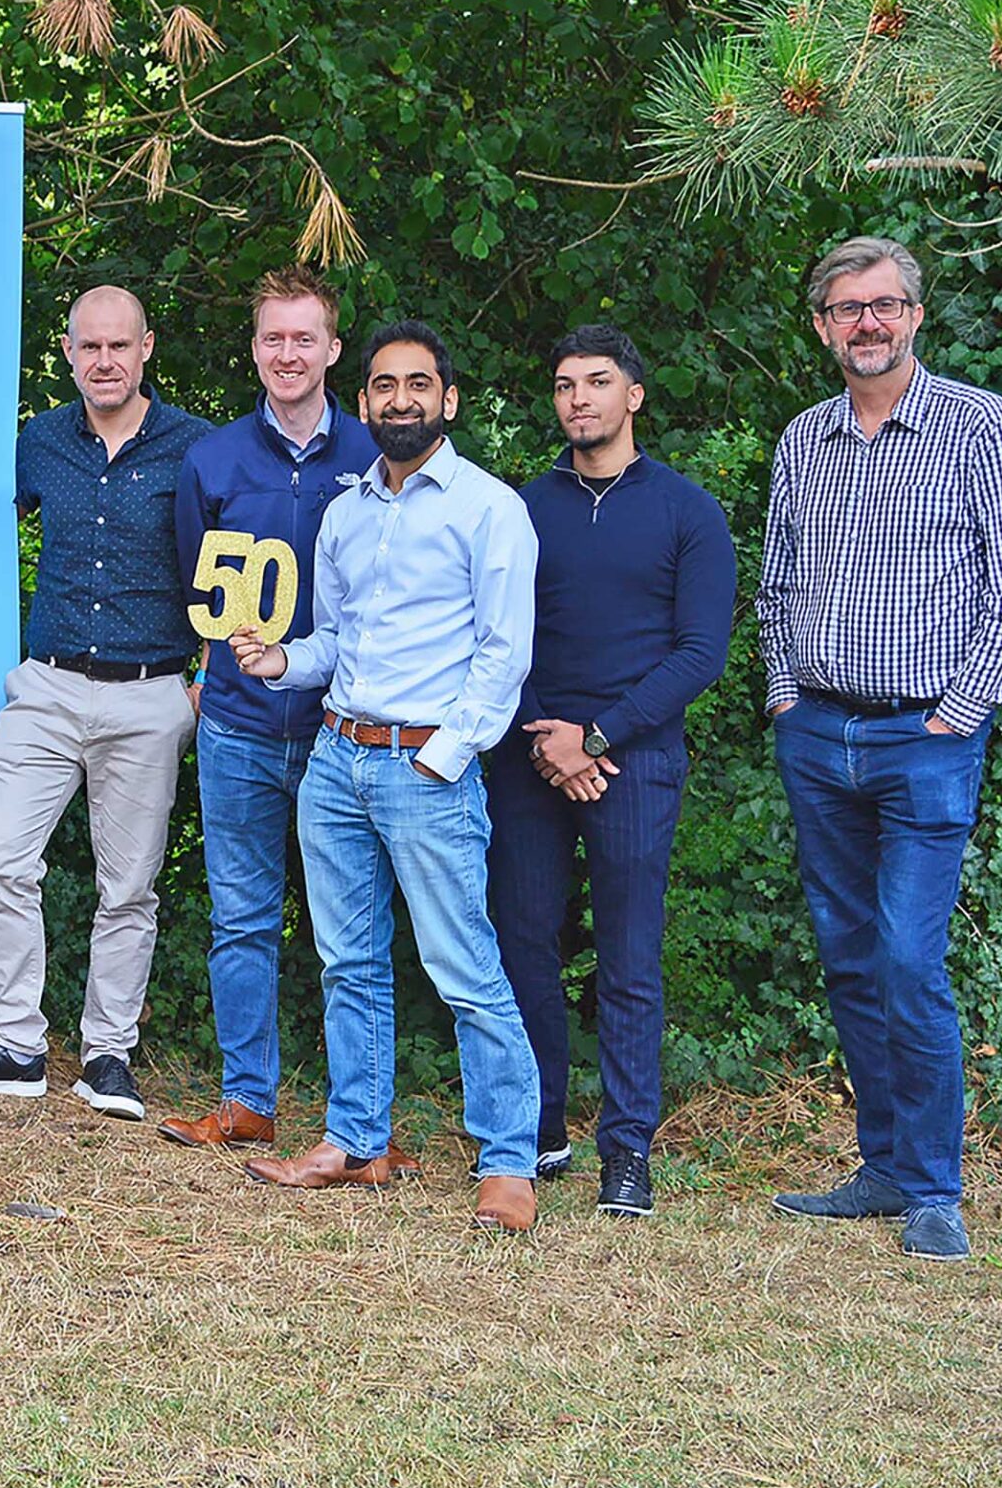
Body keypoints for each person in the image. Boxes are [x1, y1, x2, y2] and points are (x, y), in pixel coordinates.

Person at [760, 237, 1002, 1263]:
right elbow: (777, 581)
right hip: (818, 733)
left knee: (908, 959)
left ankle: (933, 1188)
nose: (868, 323)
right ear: (822, 327)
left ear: (916, 315)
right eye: (848, 309)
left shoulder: (980, 426)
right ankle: (882, 1166)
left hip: (924, 736)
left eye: (885, 305)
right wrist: (786, 695)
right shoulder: (806, 437)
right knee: (848, 956)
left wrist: (957, 713)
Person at [228, 320, 545, 1232]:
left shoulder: (489, 508)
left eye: (418, 384)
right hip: (335, 761)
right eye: (383, 385)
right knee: (348, 963)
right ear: (363, 401)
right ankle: (357, 1141)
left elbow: (505, 654)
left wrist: (443, 755)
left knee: (462, 966)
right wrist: (281, 662)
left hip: (426, 766)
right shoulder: (347, 512)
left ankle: (508, 1158)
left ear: (449, 399)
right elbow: (335, 640)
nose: (399, 399)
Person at [0, 287, 209, 1123]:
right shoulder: (39, 441)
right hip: (45, 686)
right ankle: (15, 1045)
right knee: (1, 857)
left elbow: (233, 560)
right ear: (69, 352)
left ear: (147, 348)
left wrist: (205, 681)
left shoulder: (196, 448)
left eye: (119, 345)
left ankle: (108, 1055)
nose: (105, 361)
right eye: (90, 347)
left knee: (129, 888)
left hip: (150, 692)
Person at [489, 325, 734, 1218]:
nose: (578, 398)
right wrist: (546, 740)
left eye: (596, 381)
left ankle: (627, 1149)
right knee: (524, 944)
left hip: (636, 759)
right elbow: (495, 635)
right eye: (564, 384)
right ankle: (537, 1126)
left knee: (628, 957)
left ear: (633, 395)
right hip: (530, 754)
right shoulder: (520, 509)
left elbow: (700, 652)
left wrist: (595, 738)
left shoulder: (687, 511)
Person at [159, 266, 379, 1152]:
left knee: (351, 932)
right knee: (242, 921)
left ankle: (361, 1119)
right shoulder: (212, 459)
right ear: (253, 349)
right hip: (239, 726)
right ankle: (247, 1099)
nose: (288, 353)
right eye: (272, 337)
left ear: (332, 348)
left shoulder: (374, 453)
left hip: (343, 729)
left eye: (304, 338)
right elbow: (196, 586)